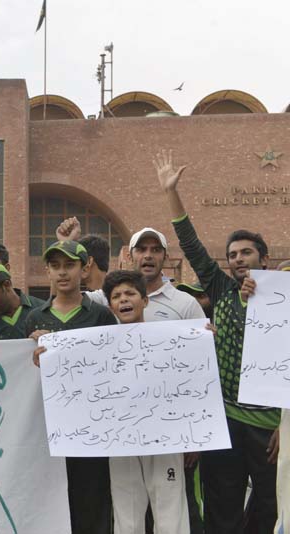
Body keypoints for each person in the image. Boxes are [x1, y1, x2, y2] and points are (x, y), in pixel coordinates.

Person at [154, 148, 279, 534]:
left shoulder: (283, 299)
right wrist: (171, 192)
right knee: (222, 505)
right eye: (232, 255)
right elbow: (191, 244)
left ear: (264, 256)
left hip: (270, 425)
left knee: (273, 505)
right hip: (224, 421)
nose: (238, 259)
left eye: (246, 252)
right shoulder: (221, 288)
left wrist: (286, 425)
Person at [27, 240, 117, 534]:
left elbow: (115, 365)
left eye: (69, 265)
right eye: (55, 266)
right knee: (54, 503)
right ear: (48, 272)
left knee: (93, 501)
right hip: (48, 430)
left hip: (92, 428)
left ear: (84, 268)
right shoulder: (35, 318)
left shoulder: (101, 315)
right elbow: (18, 373)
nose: (62, 273)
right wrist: (31, 355)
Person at [102, 270, 191, 534]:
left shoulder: (172, 340)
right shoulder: (100, 346)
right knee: (126, 512)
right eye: (116, 296)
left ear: (145, 300)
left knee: (170, 507)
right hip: (121, 439)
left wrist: (202, 339)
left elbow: (192, 380)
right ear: (110, 306)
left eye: (130, 293)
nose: (123, 300)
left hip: (164, 437)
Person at [55, 217, 110, 291]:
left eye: (71, 264)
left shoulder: (86, 299)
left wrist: (67, 242)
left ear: (88, 262)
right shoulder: (116, 296)